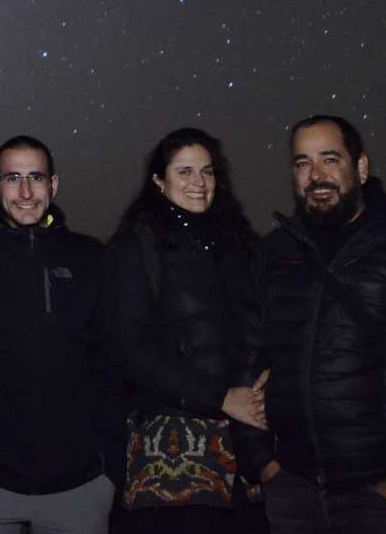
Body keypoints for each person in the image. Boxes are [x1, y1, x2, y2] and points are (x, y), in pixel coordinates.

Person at [235, 116, 386, 534]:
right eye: (302, 163)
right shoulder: (272, 256)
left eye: (330, 159)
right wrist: (262, 462)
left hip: (384, 498)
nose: (316, 176)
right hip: (293, 490)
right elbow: (246, 357)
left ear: (361, 168)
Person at [0, 135, 124, 534]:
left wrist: (109, 471)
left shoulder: (90, 257)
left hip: (79, 486)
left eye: (35, 177)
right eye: (12, 178)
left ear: (53, 185)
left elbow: (109, 365)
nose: (25, 191)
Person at [107, 129, 267, 532]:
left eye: (207, 172)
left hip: (245, 440)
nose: (199, 183)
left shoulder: (239, 244)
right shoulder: (136, 249)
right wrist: (220, 398)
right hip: (172, 448)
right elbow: (130, 350)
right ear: (159, 182)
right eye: (185, 172)